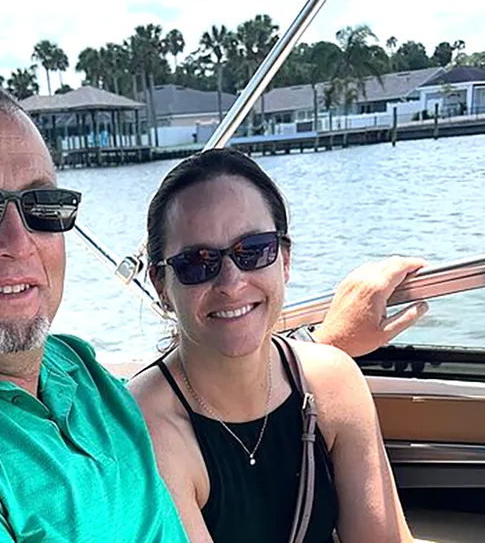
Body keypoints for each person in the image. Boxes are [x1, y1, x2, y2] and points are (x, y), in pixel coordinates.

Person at [0, 79, 426, 542]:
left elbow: (227, 376)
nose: (18, 241)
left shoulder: (74, 374)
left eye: (43, 207)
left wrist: (327, 346)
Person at [127, 149, 417, 543]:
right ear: (161, 286)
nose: (230, 283)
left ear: (284, 260)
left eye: (254, 250)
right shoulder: (146, 427)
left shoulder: (332, 382)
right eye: (197, 263)